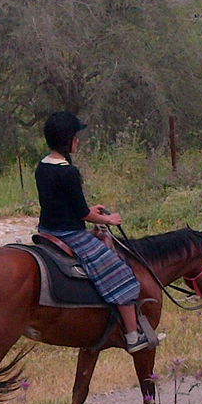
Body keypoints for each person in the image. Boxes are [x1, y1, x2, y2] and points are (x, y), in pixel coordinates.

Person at [35, 112, 150, 352]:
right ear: (68, 139)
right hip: (70, 234)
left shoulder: (43, 166)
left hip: (47, 229)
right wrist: (108, 218)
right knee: (121, 273)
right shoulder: (68, 172)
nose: (79, 140)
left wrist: (88, 209)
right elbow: (83, 215)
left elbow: (61, 202)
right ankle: (132, 336)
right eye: (76, 136)